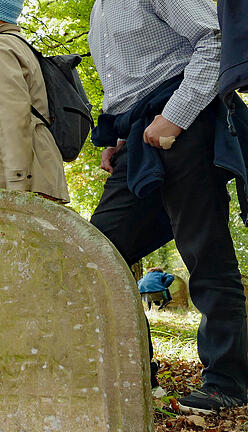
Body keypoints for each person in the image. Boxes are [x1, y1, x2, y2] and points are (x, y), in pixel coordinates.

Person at [88, 0, 248, 413]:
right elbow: (130, 81)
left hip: (184, 125)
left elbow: (214, 40)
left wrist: (174, 117)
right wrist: (120, 140)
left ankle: (226, 382)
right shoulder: (99, 9)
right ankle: (133, 372)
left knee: (204, 251)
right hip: (137, 140)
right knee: (96, 252)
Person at [0, 0, 68, 203]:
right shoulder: (5, 45)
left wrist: (16, 185)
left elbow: (13, 116)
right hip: (13, 184)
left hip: (19, 188)